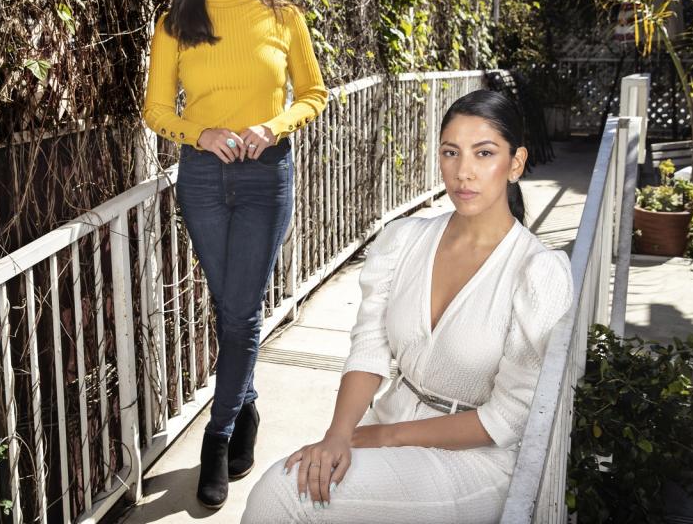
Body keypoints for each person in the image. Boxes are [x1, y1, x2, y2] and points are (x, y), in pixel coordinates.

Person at [242, 90, 573, 523]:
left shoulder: (538, 273)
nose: (463, 172)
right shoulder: (404, 240)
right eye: (450, 152)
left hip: (475, 459)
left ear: (515, 163)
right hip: (392, 415)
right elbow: (369, 347)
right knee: (306, 473)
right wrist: (338, 435)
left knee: (284, 494)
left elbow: (507, 418)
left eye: (484, 153)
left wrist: (385, 437)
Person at [142, 0, 328, 510]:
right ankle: (246, 405)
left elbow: (314, 94)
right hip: (200, 180)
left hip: (264, 178)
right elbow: (156, 111)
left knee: (241, 313)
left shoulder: (283, 18)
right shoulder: (173, 25)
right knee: (230, 306)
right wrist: (203, 133)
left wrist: (270, 128)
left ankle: (217, 439)